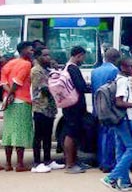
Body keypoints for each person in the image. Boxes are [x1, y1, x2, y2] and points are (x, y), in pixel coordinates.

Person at [101, 57, 132, 192]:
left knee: (121, 149)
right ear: (123, 67)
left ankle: (124, 181)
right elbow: (119, 102)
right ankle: (111, 177)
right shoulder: (123, 81)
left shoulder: (119, 79)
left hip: (118, 120)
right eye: (131, 66)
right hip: (125, 119)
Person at [0, 42, 35, 172]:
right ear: (24, 50)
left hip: (8, 102)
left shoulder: (9, 64)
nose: (32, 52)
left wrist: (7, 97)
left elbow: (3, 81)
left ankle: (8, 164)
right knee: (20, 132)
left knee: (8, 133)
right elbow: (17, 82)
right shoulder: (26, 64)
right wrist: (11, 94)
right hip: (21, 101)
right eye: (30, 50)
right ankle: (20, 164)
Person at [29, 47, 63, 173]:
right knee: (39, 136)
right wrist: (58, 88)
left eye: (49, 55)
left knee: (48, 135)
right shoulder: (36, 71)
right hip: (40, 107)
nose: (48, 57)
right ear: (38, 57)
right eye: (45, 55)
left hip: (49, 107)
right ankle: (37, 163)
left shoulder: (47, 70)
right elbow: (43, 88)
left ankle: (48, 160)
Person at [60, 46, 92, 174]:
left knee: (74, 133)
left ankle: (74, 161)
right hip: (73, 106)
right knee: (70, 134)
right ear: (78, 55)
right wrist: (89, 87)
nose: (83, 60)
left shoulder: (68, 68)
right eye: (83, 57)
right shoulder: (72, 68)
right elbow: (81, 87)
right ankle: (69, 164)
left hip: (71, 105)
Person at [91, 48, 121, 173]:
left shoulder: (95, 71)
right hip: (110, 107)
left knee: (101, 134)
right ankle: (108, 163)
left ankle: (102, 161)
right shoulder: (114, 70)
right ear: (116, 59)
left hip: (97, 106)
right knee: (110, 136)